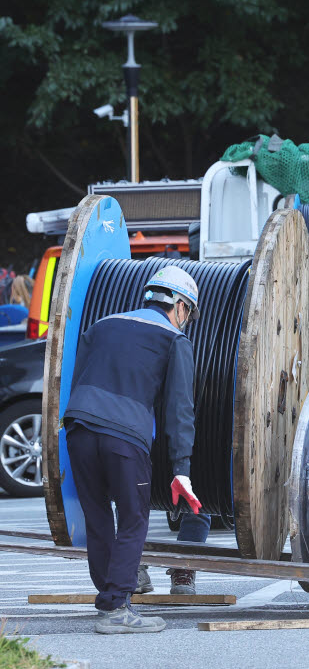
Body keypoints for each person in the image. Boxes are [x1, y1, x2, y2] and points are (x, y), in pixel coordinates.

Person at [64, 265, 203, 634]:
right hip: (124, 438)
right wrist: (182, 469)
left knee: (97, 516)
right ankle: (115, 608)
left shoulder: (101, 325)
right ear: (180, 306)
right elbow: (179, 410)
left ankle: (110, 598)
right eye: (188, 313)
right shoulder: (174, 339)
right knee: (133, 518)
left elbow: (77, 379)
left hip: (78, 428)